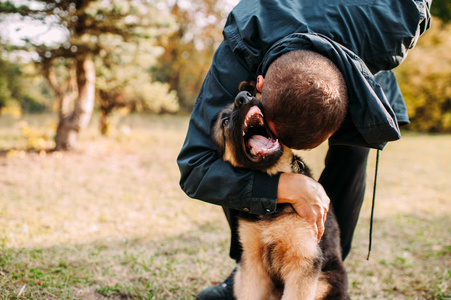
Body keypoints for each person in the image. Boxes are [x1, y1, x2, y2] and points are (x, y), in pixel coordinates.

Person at [177, 0, 431, 299]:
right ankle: (254, 263)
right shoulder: (241, 47)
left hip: (360, 49)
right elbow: (196, 167)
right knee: (236, 141)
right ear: (259, 84)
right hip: (268, 32)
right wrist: (279, 185)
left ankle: (318, 262)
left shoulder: (388, 26)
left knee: (353, 151)